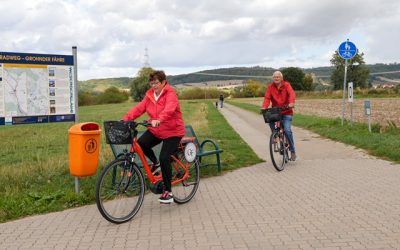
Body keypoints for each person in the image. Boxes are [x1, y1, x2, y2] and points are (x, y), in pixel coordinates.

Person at [122, 70, 185, 204]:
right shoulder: (150, 95)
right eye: (152, 83)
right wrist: (125, 120)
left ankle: (168, 192)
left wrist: (159, 119)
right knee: (141, 144)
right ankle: (155, 163)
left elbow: (169, 109)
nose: (154, 86)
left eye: (156, 83)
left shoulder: (170, 94)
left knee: (164, 157)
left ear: (163, 82)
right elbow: (139, 108)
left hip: (173, 131)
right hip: (157, 130)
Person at [262, 71, 297, 161]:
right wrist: (264, 107)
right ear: (273, 78)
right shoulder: (270, 87)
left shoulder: (286, 85)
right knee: (269, 118)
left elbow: (291, 94)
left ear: (281, 78)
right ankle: (275, 135)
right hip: (276, 112)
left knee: (287, 130)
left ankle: (292, 151)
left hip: (286, 111)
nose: (276, 78)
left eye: (278, 77)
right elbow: (267, 98)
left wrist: (291, 103)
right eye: (274, 77)